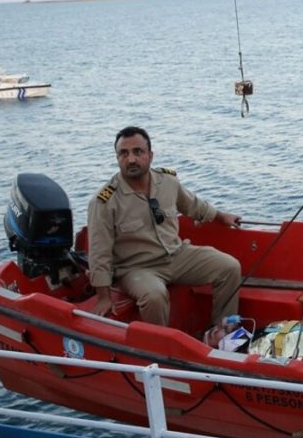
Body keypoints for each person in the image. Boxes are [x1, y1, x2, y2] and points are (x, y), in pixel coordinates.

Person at [86, 126, 242, 347]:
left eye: (138, 152)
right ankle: (161, 350)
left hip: (176, 255)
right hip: (136, 268)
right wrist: (103, 296)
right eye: (124, 153)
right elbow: (99, 253)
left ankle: (221, 334)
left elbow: (192, 205)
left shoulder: (167, 181)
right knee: (154, 296)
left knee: (229, 267)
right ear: (117, 158)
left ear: (150, 155)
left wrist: (220, 216)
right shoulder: (104, 201)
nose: (131, 159)